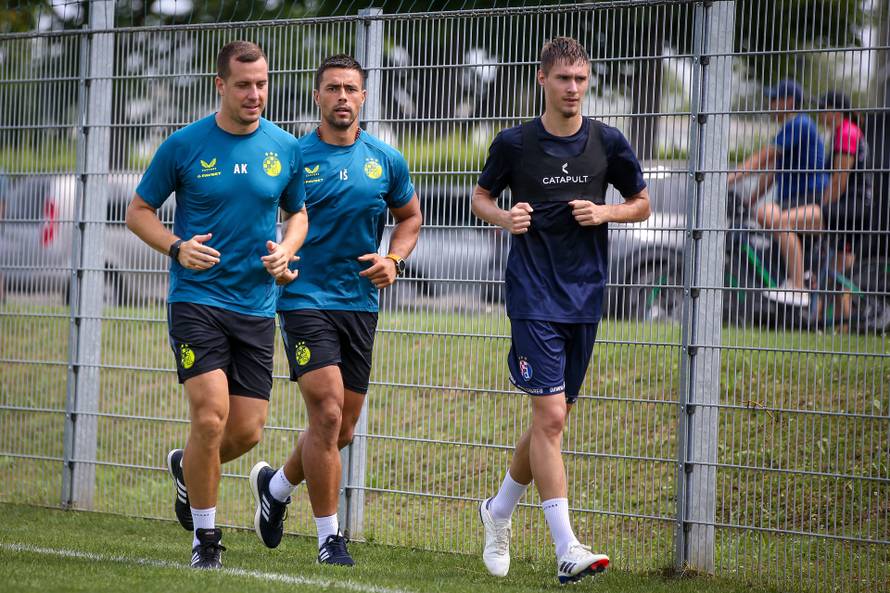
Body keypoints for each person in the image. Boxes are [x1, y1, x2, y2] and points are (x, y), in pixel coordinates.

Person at [470, 37, 650, 584]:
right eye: (563, 78)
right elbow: (479, 197)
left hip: (585, 296)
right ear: (543, 79)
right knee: (550, 419)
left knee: (553, 420)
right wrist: (505, 219)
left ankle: (497, 511)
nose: (573, 88)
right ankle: (566, 546)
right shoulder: (515, 144)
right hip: (531, 295)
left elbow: (642, 204)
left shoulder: (608, 141)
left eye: (581, 79)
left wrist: (606, 212)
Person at [125, 41, 308, 569]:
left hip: (256, 305)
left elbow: (298, 215)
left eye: (263, 84)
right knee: (209, 418)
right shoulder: (183, 146)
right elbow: (138, 212)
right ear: (220, 86)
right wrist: (177, 246)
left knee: (247, 431)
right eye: (245, 84)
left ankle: (188, 470)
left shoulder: (284, 148)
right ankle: (206, 540)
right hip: (197, 300)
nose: (255, 94)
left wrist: (286, 251)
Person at [248, 54, 422, 566]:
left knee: (341, 431)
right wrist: (275, 260)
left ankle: (275, 489)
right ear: (317, 96)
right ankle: (330, 538)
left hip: (360, 304)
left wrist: (395, 259)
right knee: (324, 413)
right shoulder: (292, 156)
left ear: (363, 97)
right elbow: (259, 213)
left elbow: (410, 218)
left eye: (351, 88)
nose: (342, 96)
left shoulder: (385, 159)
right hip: (303, 298)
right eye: (332, 88)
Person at [728, 79, 828, 307]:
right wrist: (750, 200)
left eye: (774, 100)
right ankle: (792, 279)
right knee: (763, 213)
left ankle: (797, 286)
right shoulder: (791, 127)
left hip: (809, 198)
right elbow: (772, 170)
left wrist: (727, 178)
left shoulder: (799, 123)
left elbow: (763, 158)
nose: (770, 104)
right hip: (794, 199)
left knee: (774, 219)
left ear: (789, 101)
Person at [816, 91, 873, 324]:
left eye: (823, 108)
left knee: (793, 220)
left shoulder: (847, 132)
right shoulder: (846, 131)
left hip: (852, 208)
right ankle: (844, 324)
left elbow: (839, 181)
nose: (820, 114)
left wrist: (819, 209)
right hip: (856, 208)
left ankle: (798, 289)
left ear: (835, 111)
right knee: (838, 273)